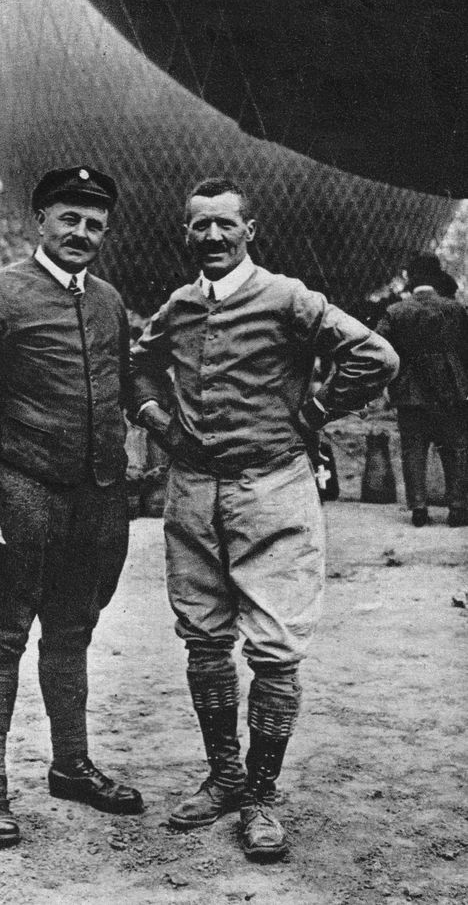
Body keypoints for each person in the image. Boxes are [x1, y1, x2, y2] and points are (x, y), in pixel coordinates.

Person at [130, 177, 398, 860]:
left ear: (251, 230)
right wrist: (158, 420)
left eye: (225, 225)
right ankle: (223, 773)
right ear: (186, 234)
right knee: (203, 636)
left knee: (275, 649)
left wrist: (310, 414)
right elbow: (138, 364)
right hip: (193, 489)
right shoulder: (181, 304)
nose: (212, 237)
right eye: (200, 227)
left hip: (271, 488)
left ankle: (262, 794)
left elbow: (374, 356)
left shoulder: (286, 296)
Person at [0, 165, 143, 848]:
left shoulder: (110, 301)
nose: (82, 233)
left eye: (94, 224)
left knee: (73, 632)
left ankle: (72, 764)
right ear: (41, 222)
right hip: (19, 492)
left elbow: (122, 386)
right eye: (70, 219)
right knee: (1, 635)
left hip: (94, 498)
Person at [375, 254, 468, 528]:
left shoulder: (395, 312)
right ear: (436, 279)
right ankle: (458, 509)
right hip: (451, 392)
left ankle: (418, 509)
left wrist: (387, 385)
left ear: (411, 280)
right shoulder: (456, 310)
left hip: (409, 394)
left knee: (413, 449)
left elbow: (378, 350)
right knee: (454, 448)